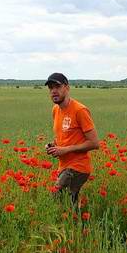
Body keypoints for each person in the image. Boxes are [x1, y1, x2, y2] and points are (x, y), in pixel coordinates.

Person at [44, 73, 99, 205]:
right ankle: (77, 224)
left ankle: (72, 224)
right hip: (64, 166)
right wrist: (54, 146)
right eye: (51, 88)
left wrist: (65, 150)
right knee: (69, 206)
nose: (53, 91)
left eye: (57, 87)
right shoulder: (55, 110)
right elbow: (64, 137)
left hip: (78, 167)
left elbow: (94, 143)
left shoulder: (80, 110)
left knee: (56, 198)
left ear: (67, 88)